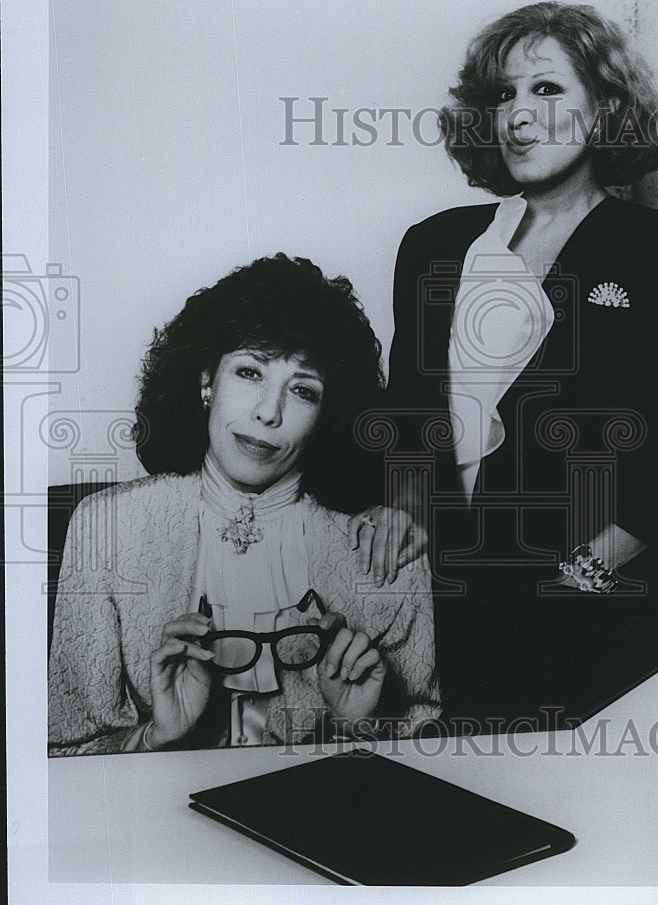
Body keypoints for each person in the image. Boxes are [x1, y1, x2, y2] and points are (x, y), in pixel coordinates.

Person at [361, 1, 658, 729]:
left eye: (547, 89)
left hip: (601, 603)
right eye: (503, 95)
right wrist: (404, 508)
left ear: (605, 107)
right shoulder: (433, 245)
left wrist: (586, 573)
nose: (518, 115)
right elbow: (408, 410)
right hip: (454, 597)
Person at [48, 255, 440, 755]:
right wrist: (155, 737)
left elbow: (427, 750)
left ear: (329, 414)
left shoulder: (387, 550)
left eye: (302, 390)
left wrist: (356, 730)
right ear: (206, 381)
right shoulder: (104, 527)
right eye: (250, 371)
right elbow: (60, 755)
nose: (268, 413)